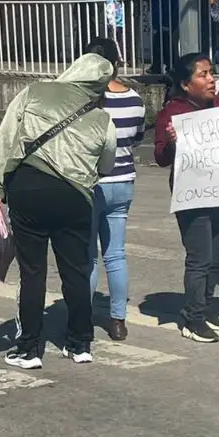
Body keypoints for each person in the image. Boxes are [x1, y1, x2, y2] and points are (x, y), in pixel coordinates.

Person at [0, 54, 116, 369]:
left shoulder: (34, 92)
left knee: (32, 272)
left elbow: (6, 137)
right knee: (76, 272)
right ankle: (80, 344)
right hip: (75, 196)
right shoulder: (102, 118)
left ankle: (29, 349)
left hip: (28, 188)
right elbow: (107, 164)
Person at [153, 53, 219, 343]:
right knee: (200, 259)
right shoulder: (173, 112)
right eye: (203, 75)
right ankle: (193, 318)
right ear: (186, 84)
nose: (211, 79)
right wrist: (172, 143)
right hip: (192, 196)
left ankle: (206, 306)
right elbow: (160, 157)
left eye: (212, 73)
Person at [83, 38, 144, 342]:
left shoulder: (85, 100)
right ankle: (118, 319)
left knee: (88, 257)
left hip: (90, 183)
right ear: (117, 62)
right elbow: (137, 138)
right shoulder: (135, 99)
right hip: (123, 181)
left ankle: (82, 318)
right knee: (116, 254)